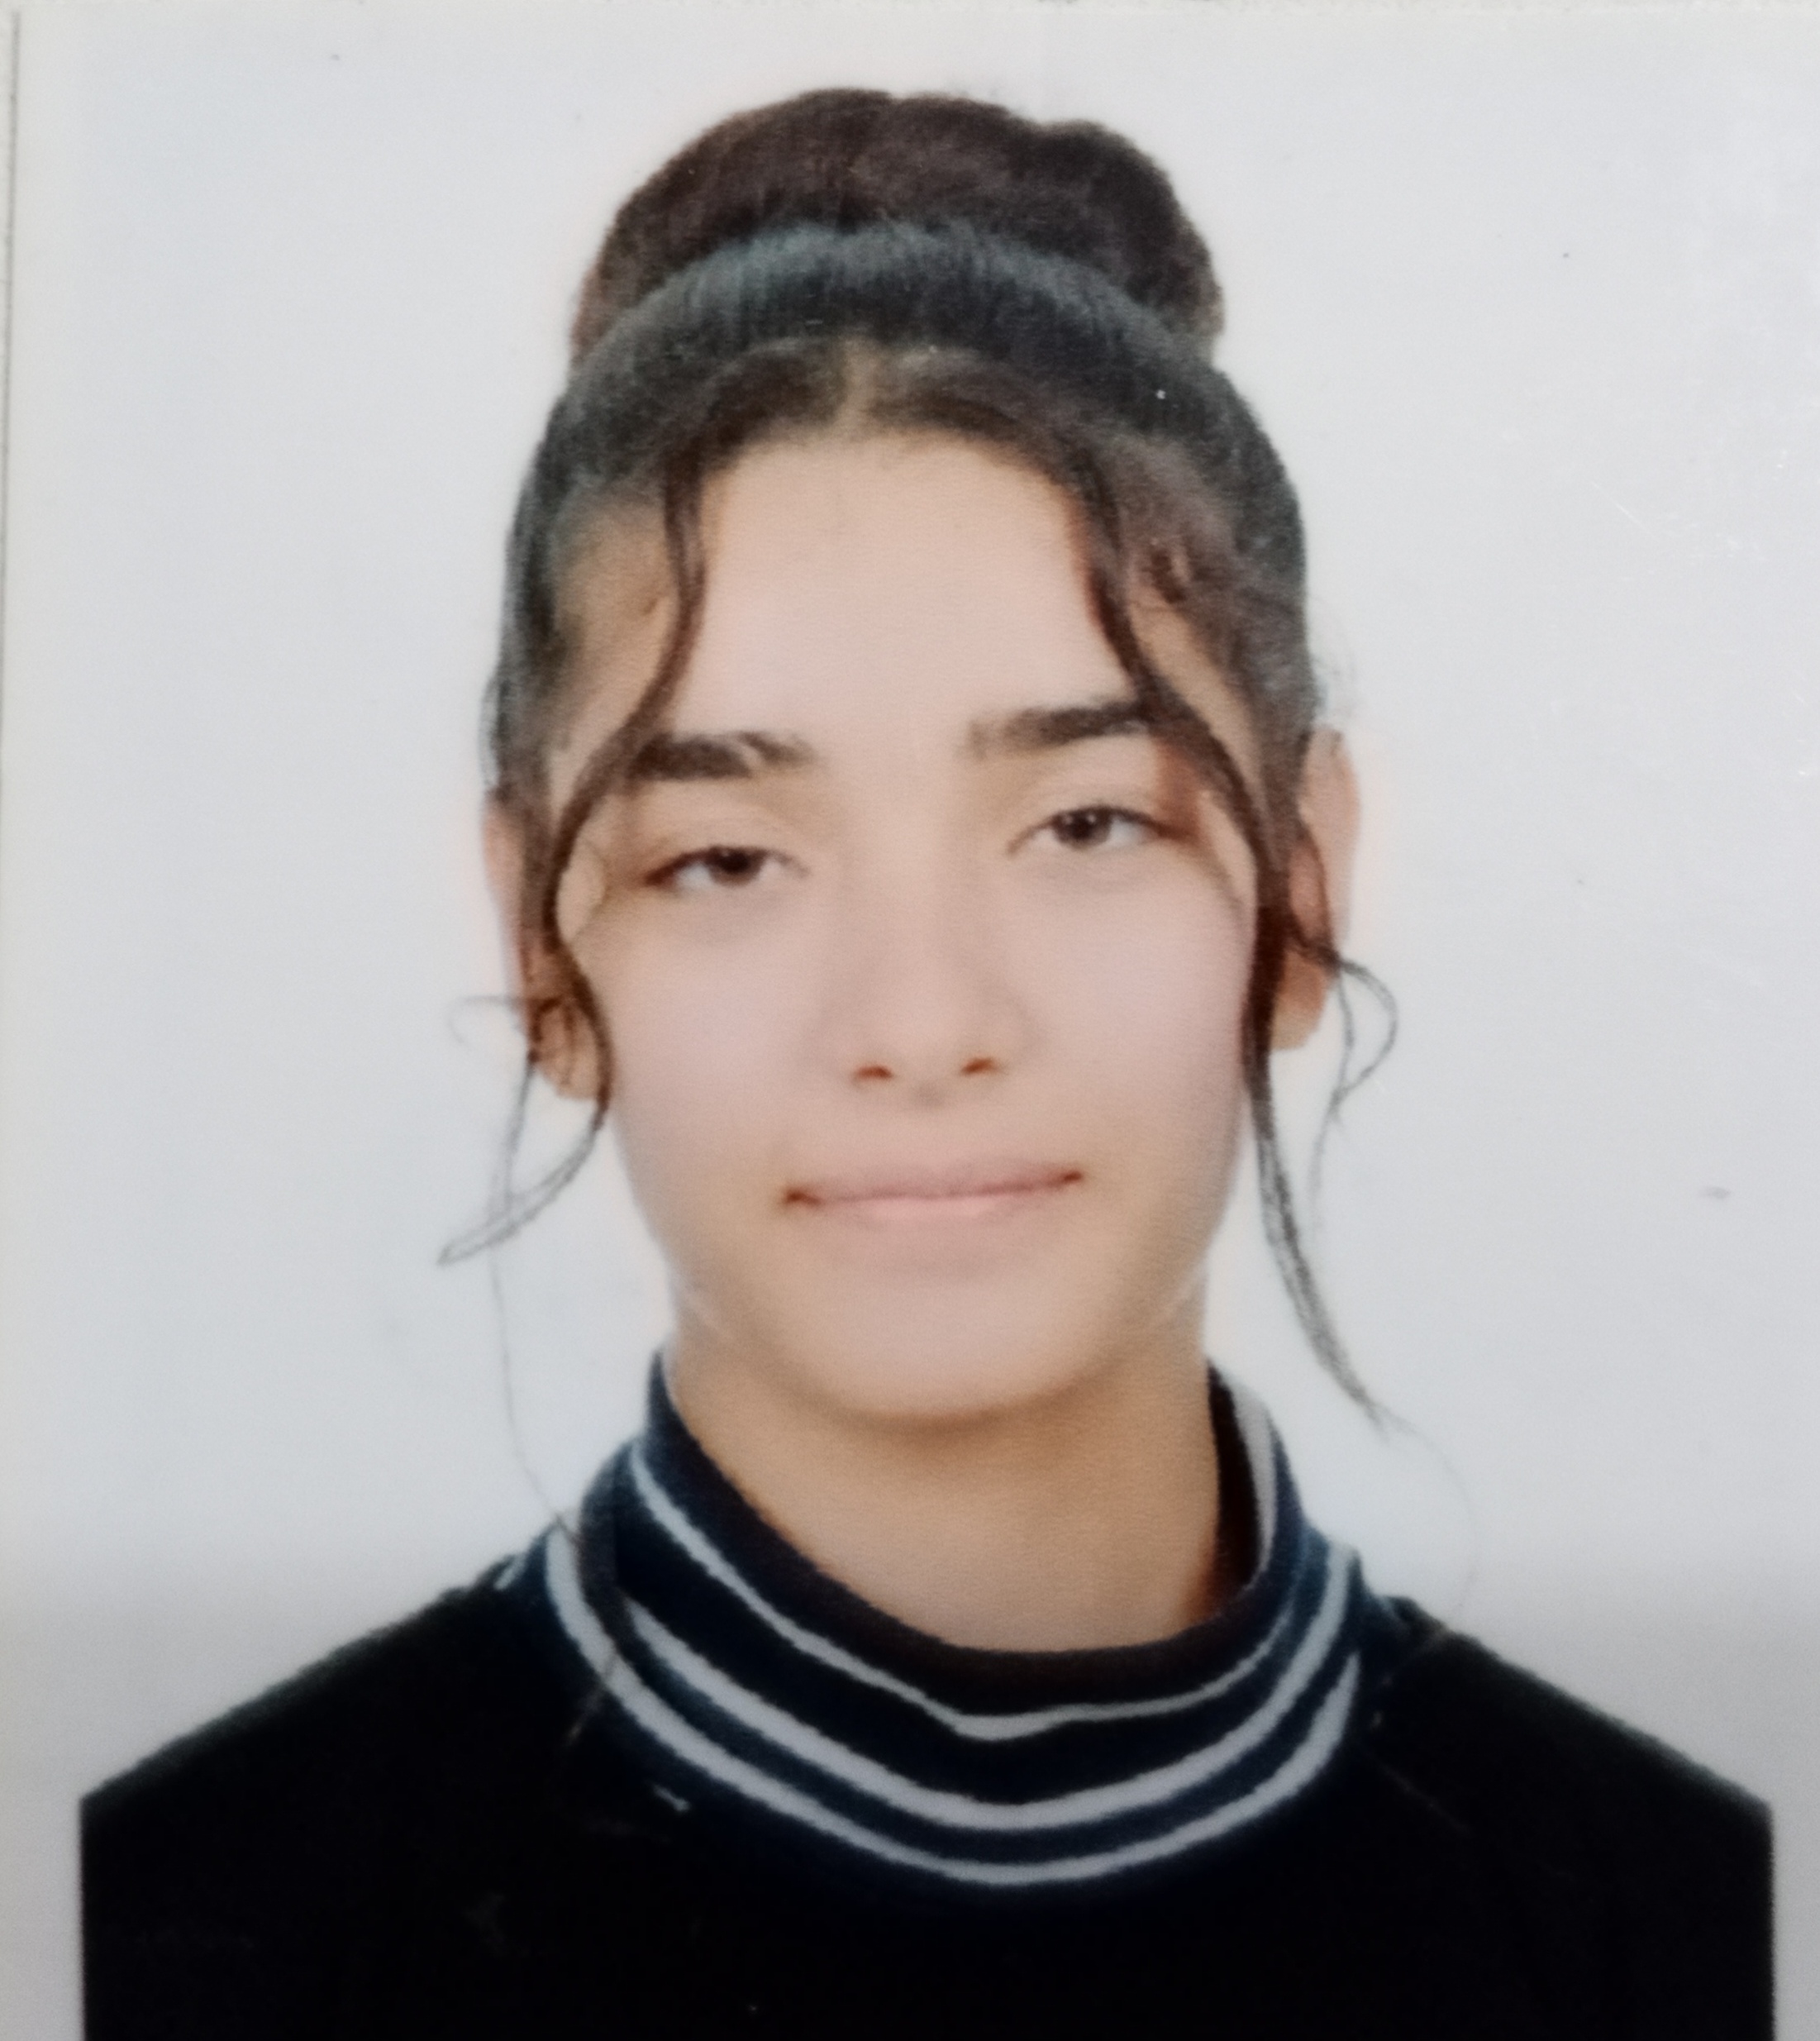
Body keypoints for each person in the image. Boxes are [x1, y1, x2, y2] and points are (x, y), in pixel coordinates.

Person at [80, 88, 1770, 2039]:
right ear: (545, 944)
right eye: (729, 858)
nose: (921, 1019)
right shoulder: (157, 1938)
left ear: (1300, 895)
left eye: (1085, 823)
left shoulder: (1702, 1937)